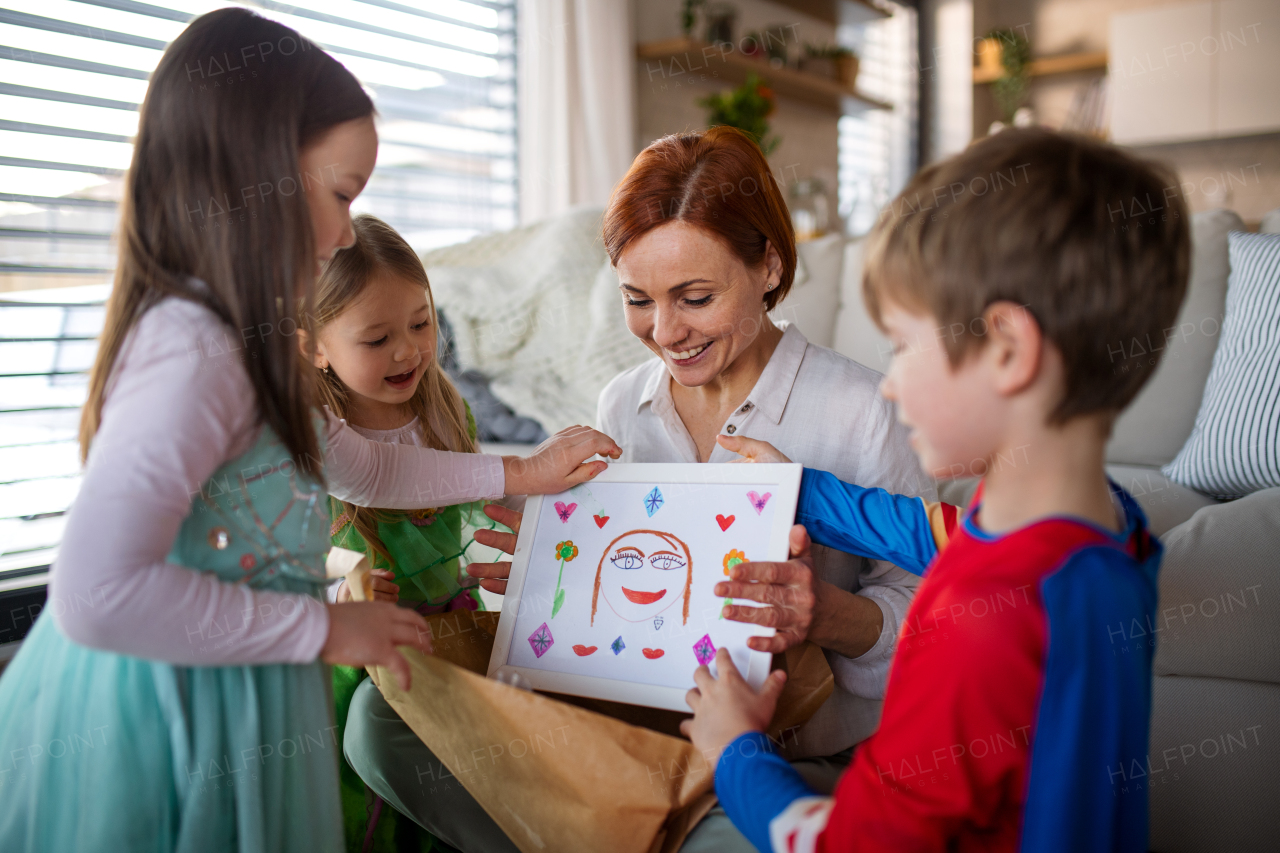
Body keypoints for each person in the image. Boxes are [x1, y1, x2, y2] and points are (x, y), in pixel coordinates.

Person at [0, 11, 618, 852]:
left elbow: (362, 469)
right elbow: (95, 593)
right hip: (174, 704)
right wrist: (325, 628)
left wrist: (523, 474)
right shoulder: (197, 352)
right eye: (340, 196)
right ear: (249, 175)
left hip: (244, 680)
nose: (341, 236)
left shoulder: (243, 336)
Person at [345, 125, 934, 852]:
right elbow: (622, 595)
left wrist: (827, 614)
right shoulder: (625, 403)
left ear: (769, 265)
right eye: (637, 299)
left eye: (694, 296)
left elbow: (940, 623)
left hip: (794, 761)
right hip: (640, 743)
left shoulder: (864, 410)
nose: (665, 332)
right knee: (381, 715)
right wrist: (551, 570)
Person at [682, 127, 1189, 852]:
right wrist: (801, 489)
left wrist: (738, 751)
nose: (889, 381)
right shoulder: (1101, 527)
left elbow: (853, 842)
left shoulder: (980, 621)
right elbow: (933, 532)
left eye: (901, 346)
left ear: (1008, 350)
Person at [308, 214, 503, 850]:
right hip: (365, 655)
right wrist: (342, 601)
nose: (407, 350)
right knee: (379, 793)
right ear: (318, 347)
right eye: (376, 339)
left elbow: (477, 514)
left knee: (469, 768)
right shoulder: (317, 444)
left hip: (451, 626)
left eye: (421, 323)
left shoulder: (447, 410)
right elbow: (297, 564)